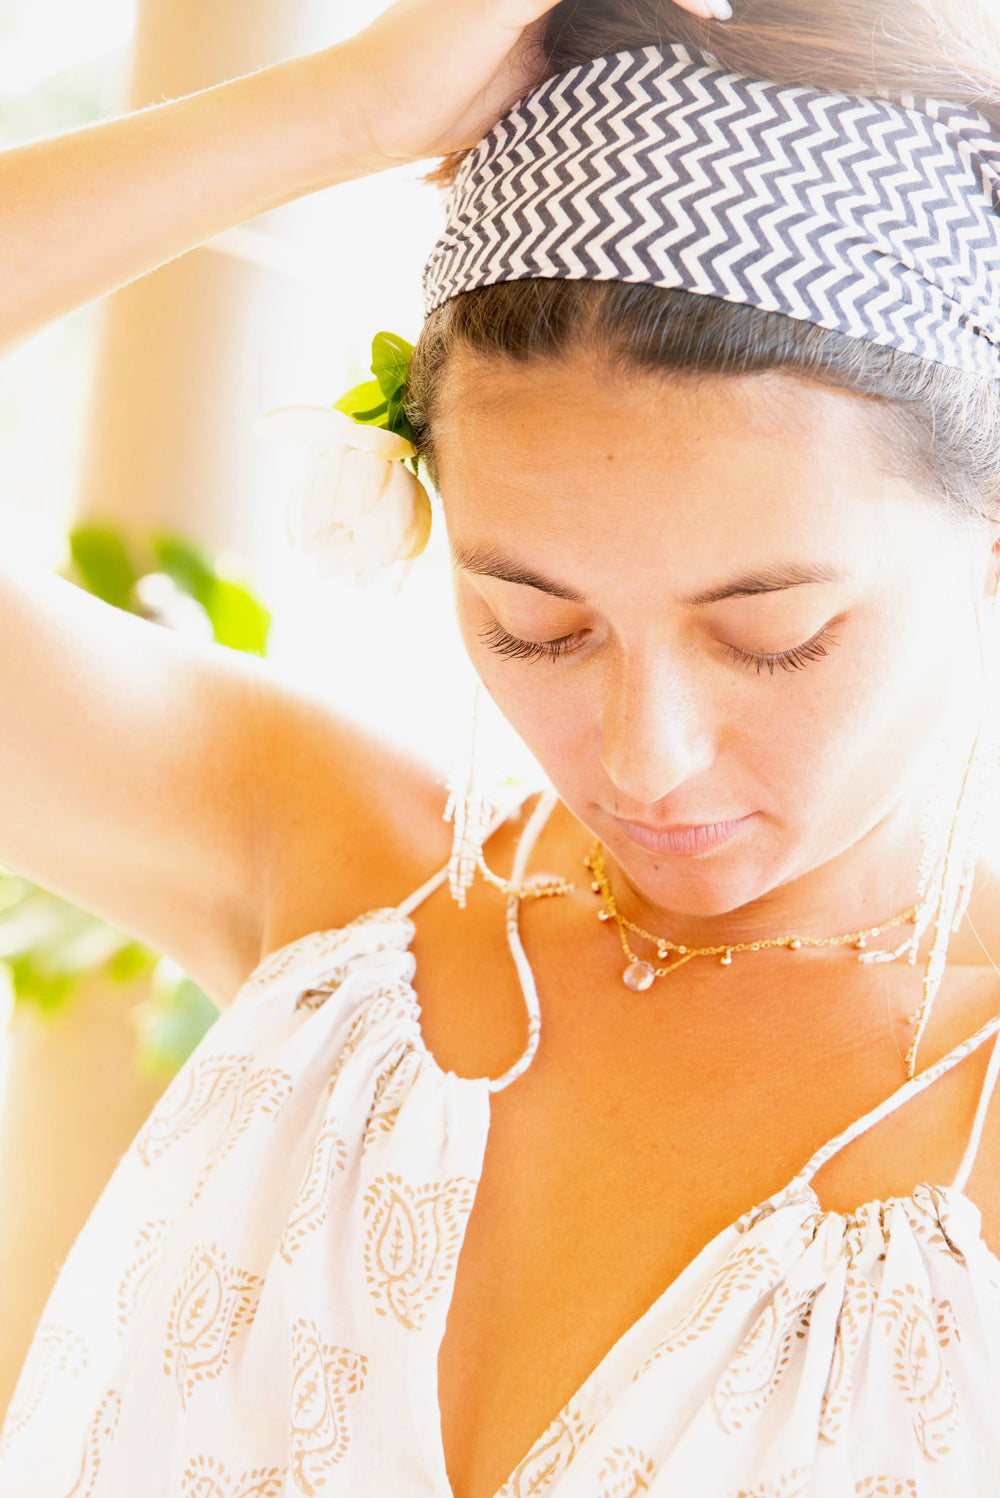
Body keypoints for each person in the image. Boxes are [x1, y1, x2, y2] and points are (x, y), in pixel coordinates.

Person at [2, 0, 1000, 1493]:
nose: (646, 761)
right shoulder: (333, 881)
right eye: (534, 626)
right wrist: (340, 113)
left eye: (772, 634)